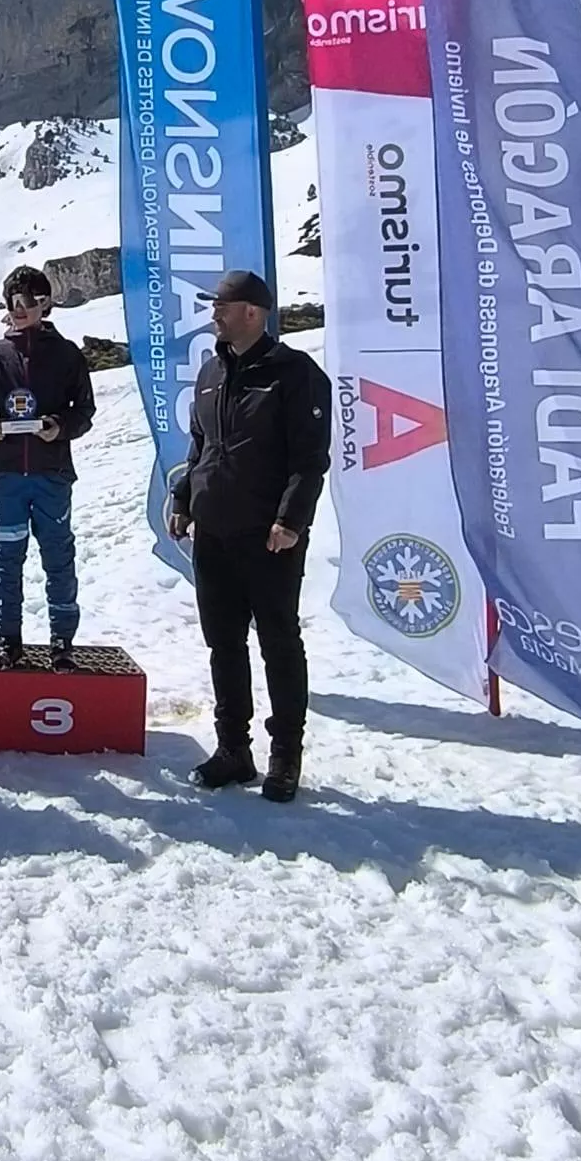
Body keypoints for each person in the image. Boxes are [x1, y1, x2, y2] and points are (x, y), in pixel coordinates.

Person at [168, 269, 332, 803]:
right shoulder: (211, 372)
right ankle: (233, 750)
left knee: (279, 644)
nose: (214, 313)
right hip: (214, 533)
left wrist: (291, 520)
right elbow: (201, 446)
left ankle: (286, 755)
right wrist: (185, 500)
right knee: (224, 645)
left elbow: (310, 460)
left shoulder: (294, 374)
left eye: (223, 304)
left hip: (269, 537)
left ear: (253, 313)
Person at [0, 265, 95, 665]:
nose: (20, 309)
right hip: (6, 478)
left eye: (28, 302)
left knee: (57, 556)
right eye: (13, 302)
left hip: (52, 475)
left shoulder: (68, 354)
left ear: (46, 304)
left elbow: (84, 409)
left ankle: (62, 642)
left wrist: (60, 428)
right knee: (6, 558)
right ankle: (9, 640)